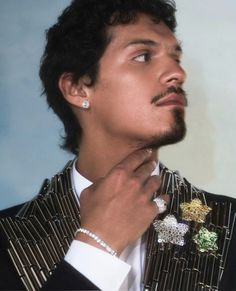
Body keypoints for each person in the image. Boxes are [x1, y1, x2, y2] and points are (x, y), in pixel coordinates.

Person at [0, 0, 235, 290]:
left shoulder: (231, 227)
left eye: (176, 56)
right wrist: (96, 246)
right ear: (77, 88)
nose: (177, 73)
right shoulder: (7, 239)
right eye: (143, 56)